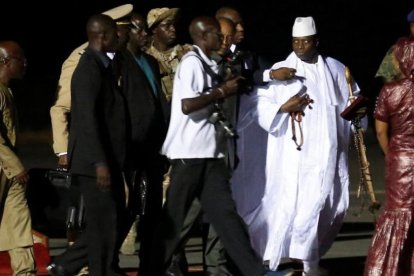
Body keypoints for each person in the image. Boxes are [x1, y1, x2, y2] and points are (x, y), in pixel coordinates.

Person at [234, 16, 362, 275]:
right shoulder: (283, 70)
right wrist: (284, 107)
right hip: (296, 158)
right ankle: (308, 264)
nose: (300, 46)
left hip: (329, 156)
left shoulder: (335, 68)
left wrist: (359, 113)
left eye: (305, 41)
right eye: (295, 41)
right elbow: (257, 103)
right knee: (303, 209)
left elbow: (352, 99)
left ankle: (305, 260)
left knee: (332, 206)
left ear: (316, 41)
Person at [150, 16, 272, 276]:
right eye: (217, 34)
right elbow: (186, 105)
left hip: (208, 155)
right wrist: (221, 92)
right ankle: (152, 268)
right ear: (203, 37)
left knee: (227, 219)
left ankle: (255, 272)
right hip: (189, 155)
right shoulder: (191, 64)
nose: (222, 39)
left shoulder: (208, 64)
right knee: (173, 223)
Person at [47, 14, 127, 276]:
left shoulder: (102, 65)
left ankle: (67, 266)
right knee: (103, 225)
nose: (119, 37)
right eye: (115, 33)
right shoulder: (88, 68)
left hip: (103, 160)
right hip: (94, 164)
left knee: (107, 224)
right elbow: (87, 120)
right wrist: (100, 163)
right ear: (103, 36)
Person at [49, 3, 133, 170]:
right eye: (127, 30)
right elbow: (61, 107)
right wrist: (63, 151)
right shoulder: (81, 59)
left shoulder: (120, 56)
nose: (130, 35)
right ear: (112, 31)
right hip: (90, 149)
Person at [118, 12, 169, 275]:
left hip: (153, 150)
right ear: (126, 32)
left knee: (153, 216)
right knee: (126, 213)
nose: (145, 34)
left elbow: (158, 103)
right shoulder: (120, 63)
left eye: (146, 30)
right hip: (131, 151)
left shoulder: (150, 61)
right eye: (139, 30)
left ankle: (150, 269)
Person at [364, 37, 414, 276]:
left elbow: (381, 131)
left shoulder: (389, 92)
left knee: (398, 213)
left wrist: (391, 154)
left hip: (400, 159)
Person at [0, 41, 36, 276]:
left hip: (10, 171)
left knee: (19, 222)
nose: (25, 63)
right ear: (4, 62)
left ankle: (25, 271)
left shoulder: (6, 90)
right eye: (19, 59)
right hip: (7, 165)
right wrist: (15, 164)